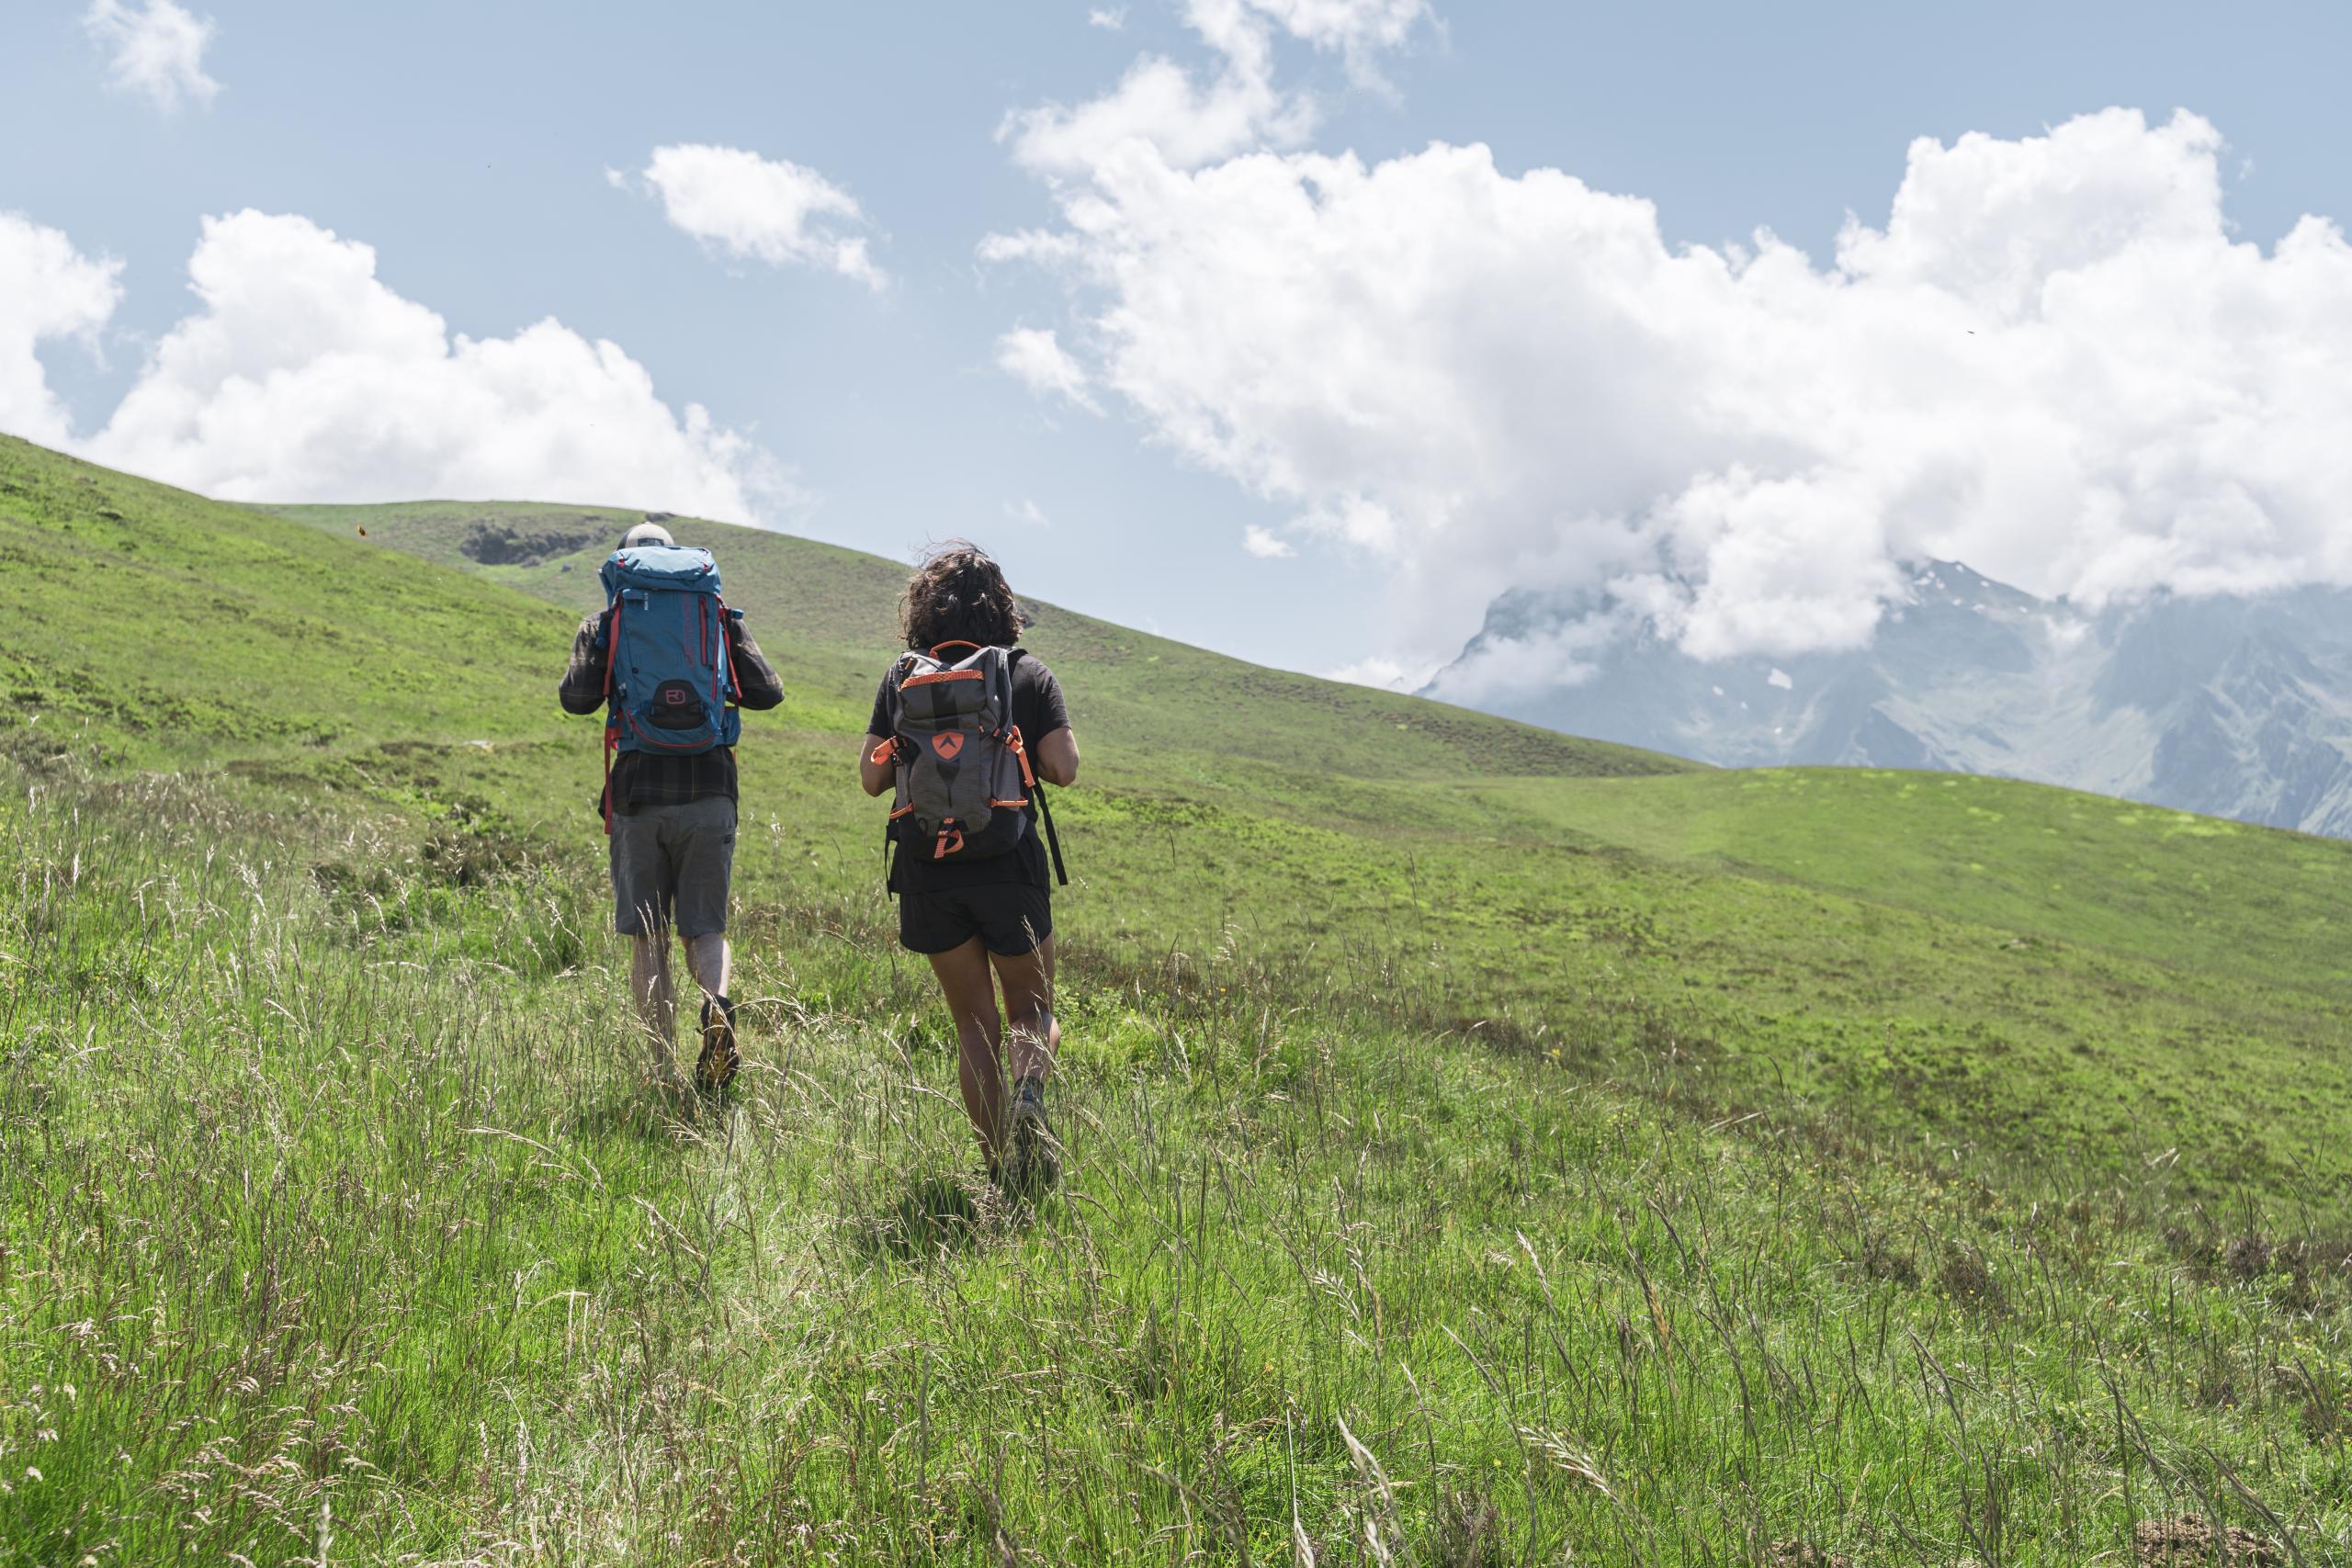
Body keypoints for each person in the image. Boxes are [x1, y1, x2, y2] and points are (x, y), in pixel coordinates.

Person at [860, 542, 1080, 1189]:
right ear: (1003, 608)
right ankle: (1031, 1093)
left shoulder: (902, 675)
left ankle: (997, 1171)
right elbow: (1064, 769)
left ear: (923, 610)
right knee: (1031, 1013)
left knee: (972, 1026)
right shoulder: (1027, 673)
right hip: (1007, 863)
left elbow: (871, 778)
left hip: (929, 871)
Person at [560, 517, 785, 1093]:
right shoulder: (715, 615)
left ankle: (660, 1077)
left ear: (621, 568)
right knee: (704, 929)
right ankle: (716, 1005)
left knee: (649, 938)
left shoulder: (607, 621)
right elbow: (768, 693)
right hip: (711, 791)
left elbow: (575, 699)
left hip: (638, 796)